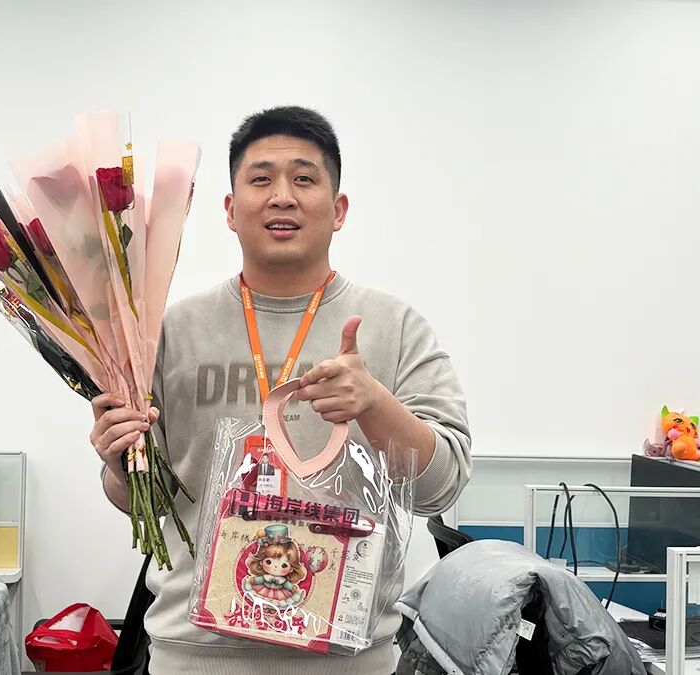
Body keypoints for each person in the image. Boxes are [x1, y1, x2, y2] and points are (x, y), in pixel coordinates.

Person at [89, 106, 472, 674]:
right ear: (230, 209)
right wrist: (119, 462)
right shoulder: (167, 332)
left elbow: (442, 487)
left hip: (349, 657)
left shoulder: (395, 327)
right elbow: (142, 499)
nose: (283, 197)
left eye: (305, 178)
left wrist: (375, 405)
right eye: (262, 179)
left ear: (338, 210)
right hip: (193, 655)